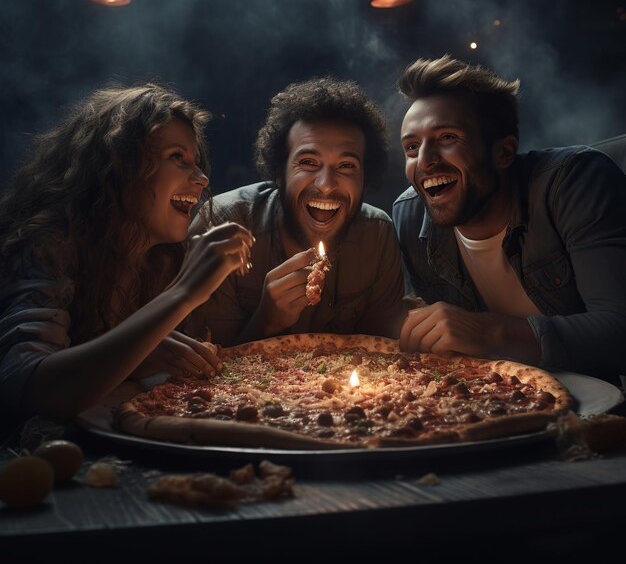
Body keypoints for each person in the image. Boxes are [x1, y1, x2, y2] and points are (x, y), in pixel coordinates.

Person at [0, 84, 254, 424]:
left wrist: (140, 354)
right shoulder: (52, 245)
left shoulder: (158, 256)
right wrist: (184, 292)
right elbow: (27, 388)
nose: (202, 178)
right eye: (177, 157)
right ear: (120, 166)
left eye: (197, 162)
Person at [392, 54, 626, 385]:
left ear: (504, 152)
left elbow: (620, 330)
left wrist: (490, 331)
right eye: (412, 147)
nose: (425, 161)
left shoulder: (574, 181)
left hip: (596, 410)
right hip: (491, 403)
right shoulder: (409, 215)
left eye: (447, 138)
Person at [186, 76, 406, 346]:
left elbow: (385, 356)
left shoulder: (377, 236)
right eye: (309, 162)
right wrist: (266, 320)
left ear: (365, 179)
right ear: (279, 173)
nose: (326, 185)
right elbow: (203, 372)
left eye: (346, 166)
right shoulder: (221, 225)